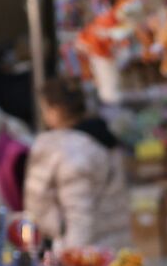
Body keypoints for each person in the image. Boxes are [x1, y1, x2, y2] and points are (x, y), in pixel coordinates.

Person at [24, 77, 131, 251]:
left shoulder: (73, 150)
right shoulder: (101, 138)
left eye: (45, 108)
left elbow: (79, 213)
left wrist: (72, 259)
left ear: (56, 110)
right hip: (106, 241)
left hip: (87, 250)